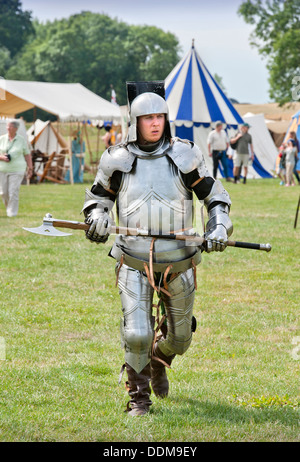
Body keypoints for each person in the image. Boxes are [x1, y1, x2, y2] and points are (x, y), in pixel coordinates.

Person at [82, 81, 233, 417]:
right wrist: (96, 218)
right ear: (134, 122)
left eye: (159, 117)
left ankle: (159, 359)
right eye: (147, 117)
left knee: (181, 339)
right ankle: (138, 398)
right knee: (137, 333)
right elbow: (97, 200)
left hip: (179, 261)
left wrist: (218, 226)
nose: (154, 123)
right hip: (133, 259)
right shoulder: (116, 159)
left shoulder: (185, 154)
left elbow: (215, 197)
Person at [0, 120, 33, 217]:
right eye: (7, 126)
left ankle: (12, 213)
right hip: (2, 169)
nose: (8, 128)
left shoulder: (21, 140)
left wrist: (30, 168)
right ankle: (8, 209)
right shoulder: (1, 139)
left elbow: (27, 154)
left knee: (13, 191)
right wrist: (2, 157)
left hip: (17, 169)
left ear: (16, 128)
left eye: (10, 127)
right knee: (3, 193)